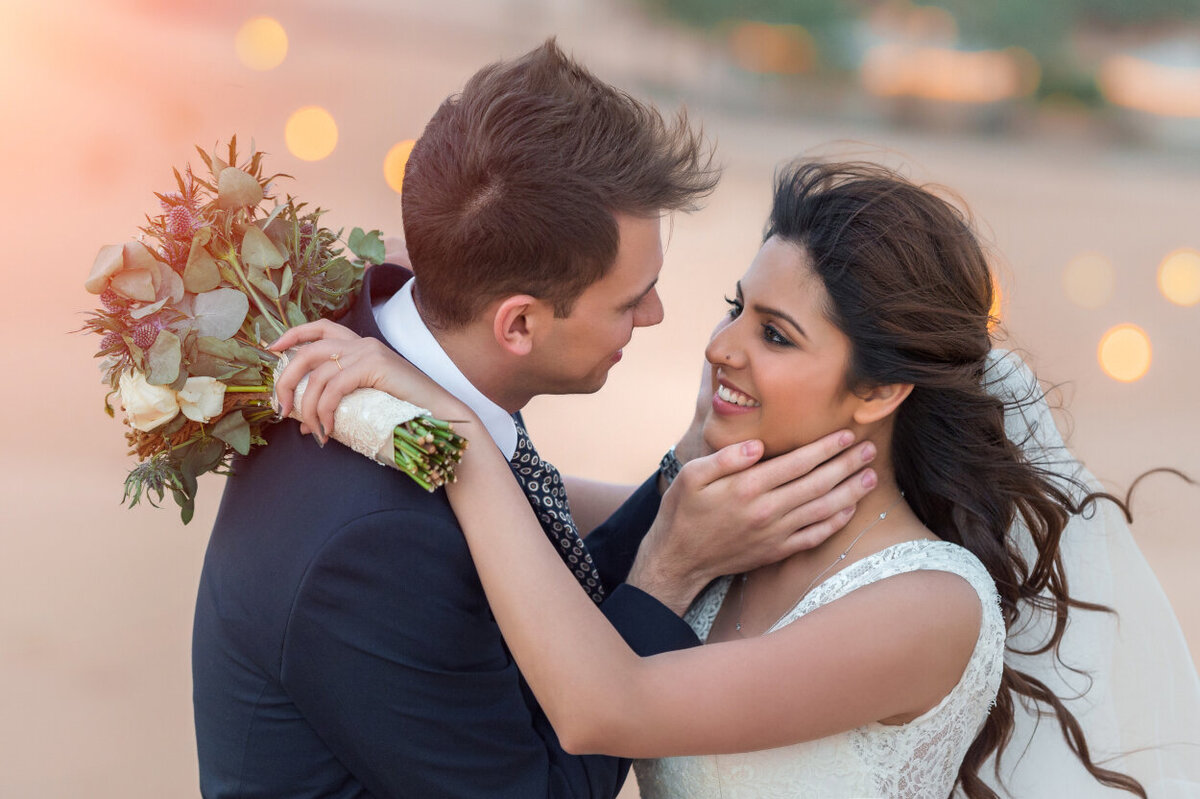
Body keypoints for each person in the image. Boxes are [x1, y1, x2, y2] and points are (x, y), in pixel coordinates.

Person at [276, 160, 1200, 798]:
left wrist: (461, 447)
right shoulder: (732, 518)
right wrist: (394, 379)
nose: (721, 346)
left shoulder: (927, 607)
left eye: (776, 333)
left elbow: (606, 707)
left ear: (879, 388)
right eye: (737, 309)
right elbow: (533, 502)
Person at [192, 43, 879, 798]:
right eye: (629, 300)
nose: (654, 316)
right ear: (518, 325)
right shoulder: (374, 538)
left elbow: (544, 586)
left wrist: (687, 470)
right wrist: (668, 571)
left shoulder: (401, 333)